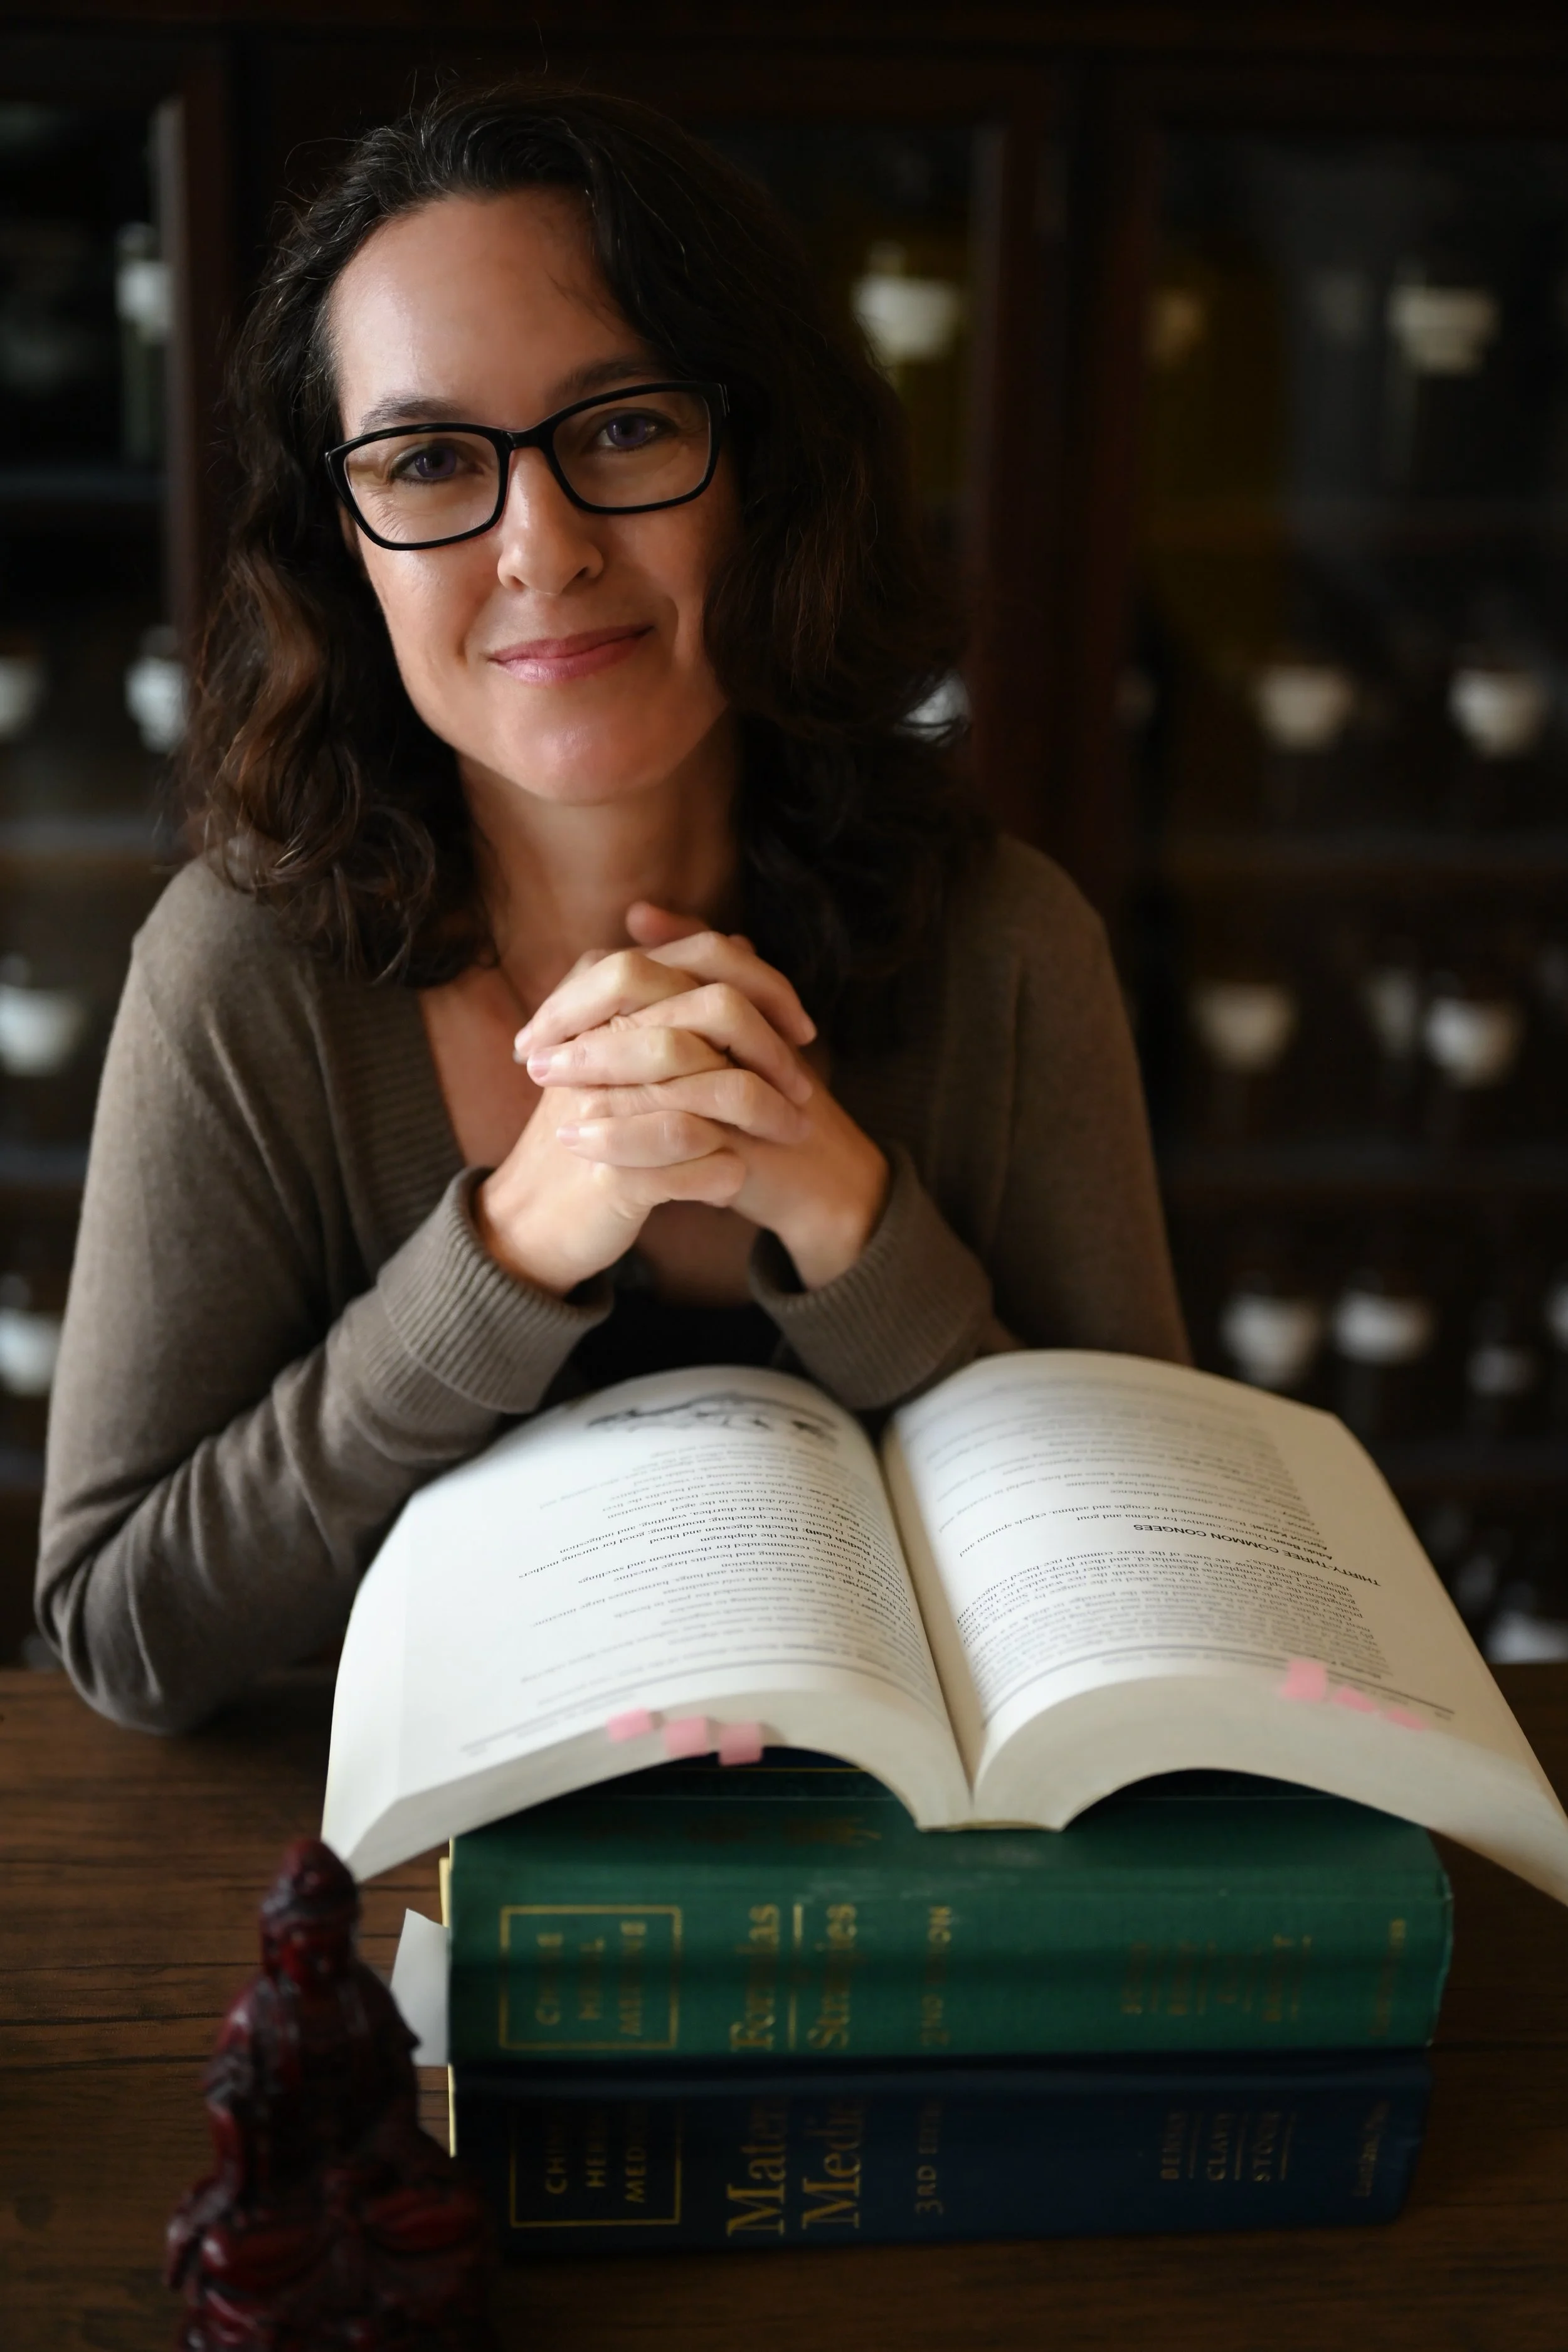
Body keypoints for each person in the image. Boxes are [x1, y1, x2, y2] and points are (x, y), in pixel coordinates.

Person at [36, 86, 1186, 1734]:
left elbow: (1164, 1594)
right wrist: (516, 1243)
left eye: (625, 426)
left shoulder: (1011, 944)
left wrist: (850, 1217)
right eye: (428, 460)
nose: (542, 545)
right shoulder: (235, 974)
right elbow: (124, 1635)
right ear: (341, 543)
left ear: (762, 468)